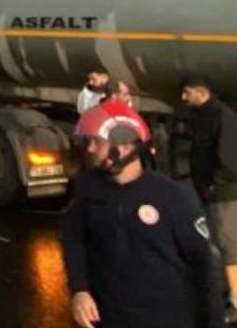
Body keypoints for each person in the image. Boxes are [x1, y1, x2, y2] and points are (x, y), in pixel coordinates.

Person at [62, 100, 223, 328]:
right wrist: (79, 290)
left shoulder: (171, 196)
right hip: (110, 318)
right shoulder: (87, 189)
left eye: (96, 142)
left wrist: (212, 323)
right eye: (87, 142)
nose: (89, 149)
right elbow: (73, 239)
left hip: (166, 319)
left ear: (124, 146)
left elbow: (203, 264)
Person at [181, 75, 237, 326]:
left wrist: (213, 185)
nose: (183, 97)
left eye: (187, 93)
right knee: (233, 243)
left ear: (201, 93)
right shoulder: (209, 115)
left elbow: (229, 159)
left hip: (226, 194)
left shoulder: (221, 117)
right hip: (223, 192)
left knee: (227, 245)